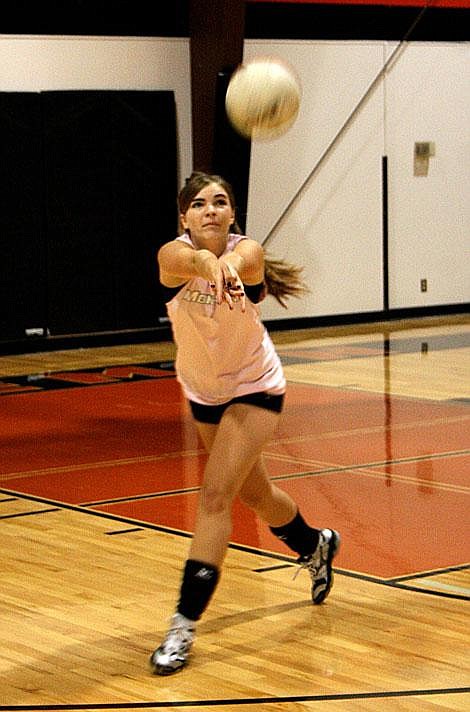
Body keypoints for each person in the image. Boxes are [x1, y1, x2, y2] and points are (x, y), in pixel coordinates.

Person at [150, 171, 340, 675]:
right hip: (203, 390)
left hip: (254, 385)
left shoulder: (249, 251)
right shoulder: (172, 256)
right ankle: (316, 544)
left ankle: (182, 626)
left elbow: (242, 260)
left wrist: (226, 264)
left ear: (232, 214)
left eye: (219, 202)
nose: (210, 210)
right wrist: (205, 262)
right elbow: (186, 261)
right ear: (184, 217)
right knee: (255, 494)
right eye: (199, 204)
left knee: (214, 496)